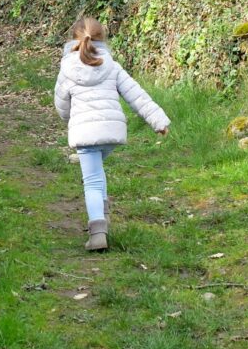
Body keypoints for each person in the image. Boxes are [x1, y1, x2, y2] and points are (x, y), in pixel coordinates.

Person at [54, 16, 170, 252]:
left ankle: (97, 232)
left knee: (92, 180)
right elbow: (137, 95)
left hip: (85, 133)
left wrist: (69, 120)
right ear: (101, 40)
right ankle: (104, 216)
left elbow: (61, 105)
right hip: (111, 133)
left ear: (73, 39)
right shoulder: (111, 65)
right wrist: (158, 121)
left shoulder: (67, 69)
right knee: (97, 172)